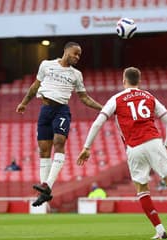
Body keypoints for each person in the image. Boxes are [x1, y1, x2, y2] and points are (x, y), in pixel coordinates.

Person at [77, 67, 167, 240]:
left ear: (124, 80)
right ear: (139, 81)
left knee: (142, 189)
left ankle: (160, 230)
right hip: (154, 141)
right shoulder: (149, 96)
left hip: (133, 148)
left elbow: (97, 123)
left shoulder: (116, 99)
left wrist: (87, 147)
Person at [16, 42, 103, 207]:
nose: (77, 57)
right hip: (45, 110)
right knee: (43, 149)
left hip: (61, 110)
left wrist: (103, 108)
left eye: (79, 55)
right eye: (75, 53)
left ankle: (47, 184)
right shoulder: (46, 65)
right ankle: (44, 190)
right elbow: (35, 86)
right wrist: (24, 103)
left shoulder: (76, 75)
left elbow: (84, 98)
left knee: (59, 142)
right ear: (66, 51)